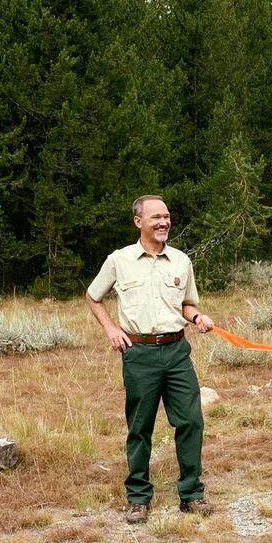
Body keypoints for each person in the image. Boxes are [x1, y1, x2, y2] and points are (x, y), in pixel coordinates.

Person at [86, 195, 215, 524]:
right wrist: (111, 329)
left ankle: (191, 494)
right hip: (139, 354)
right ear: (138, 222)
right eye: (156, 217)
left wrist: (197, 318)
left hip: (176, 351)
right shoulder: (120, 260)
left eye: (167, 216)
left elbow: (186, 304)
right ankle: (139, 498)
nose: (163, 222)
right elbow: (93, 295)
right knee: (140, 427)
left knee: (190, 421)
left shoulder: (181, 261)